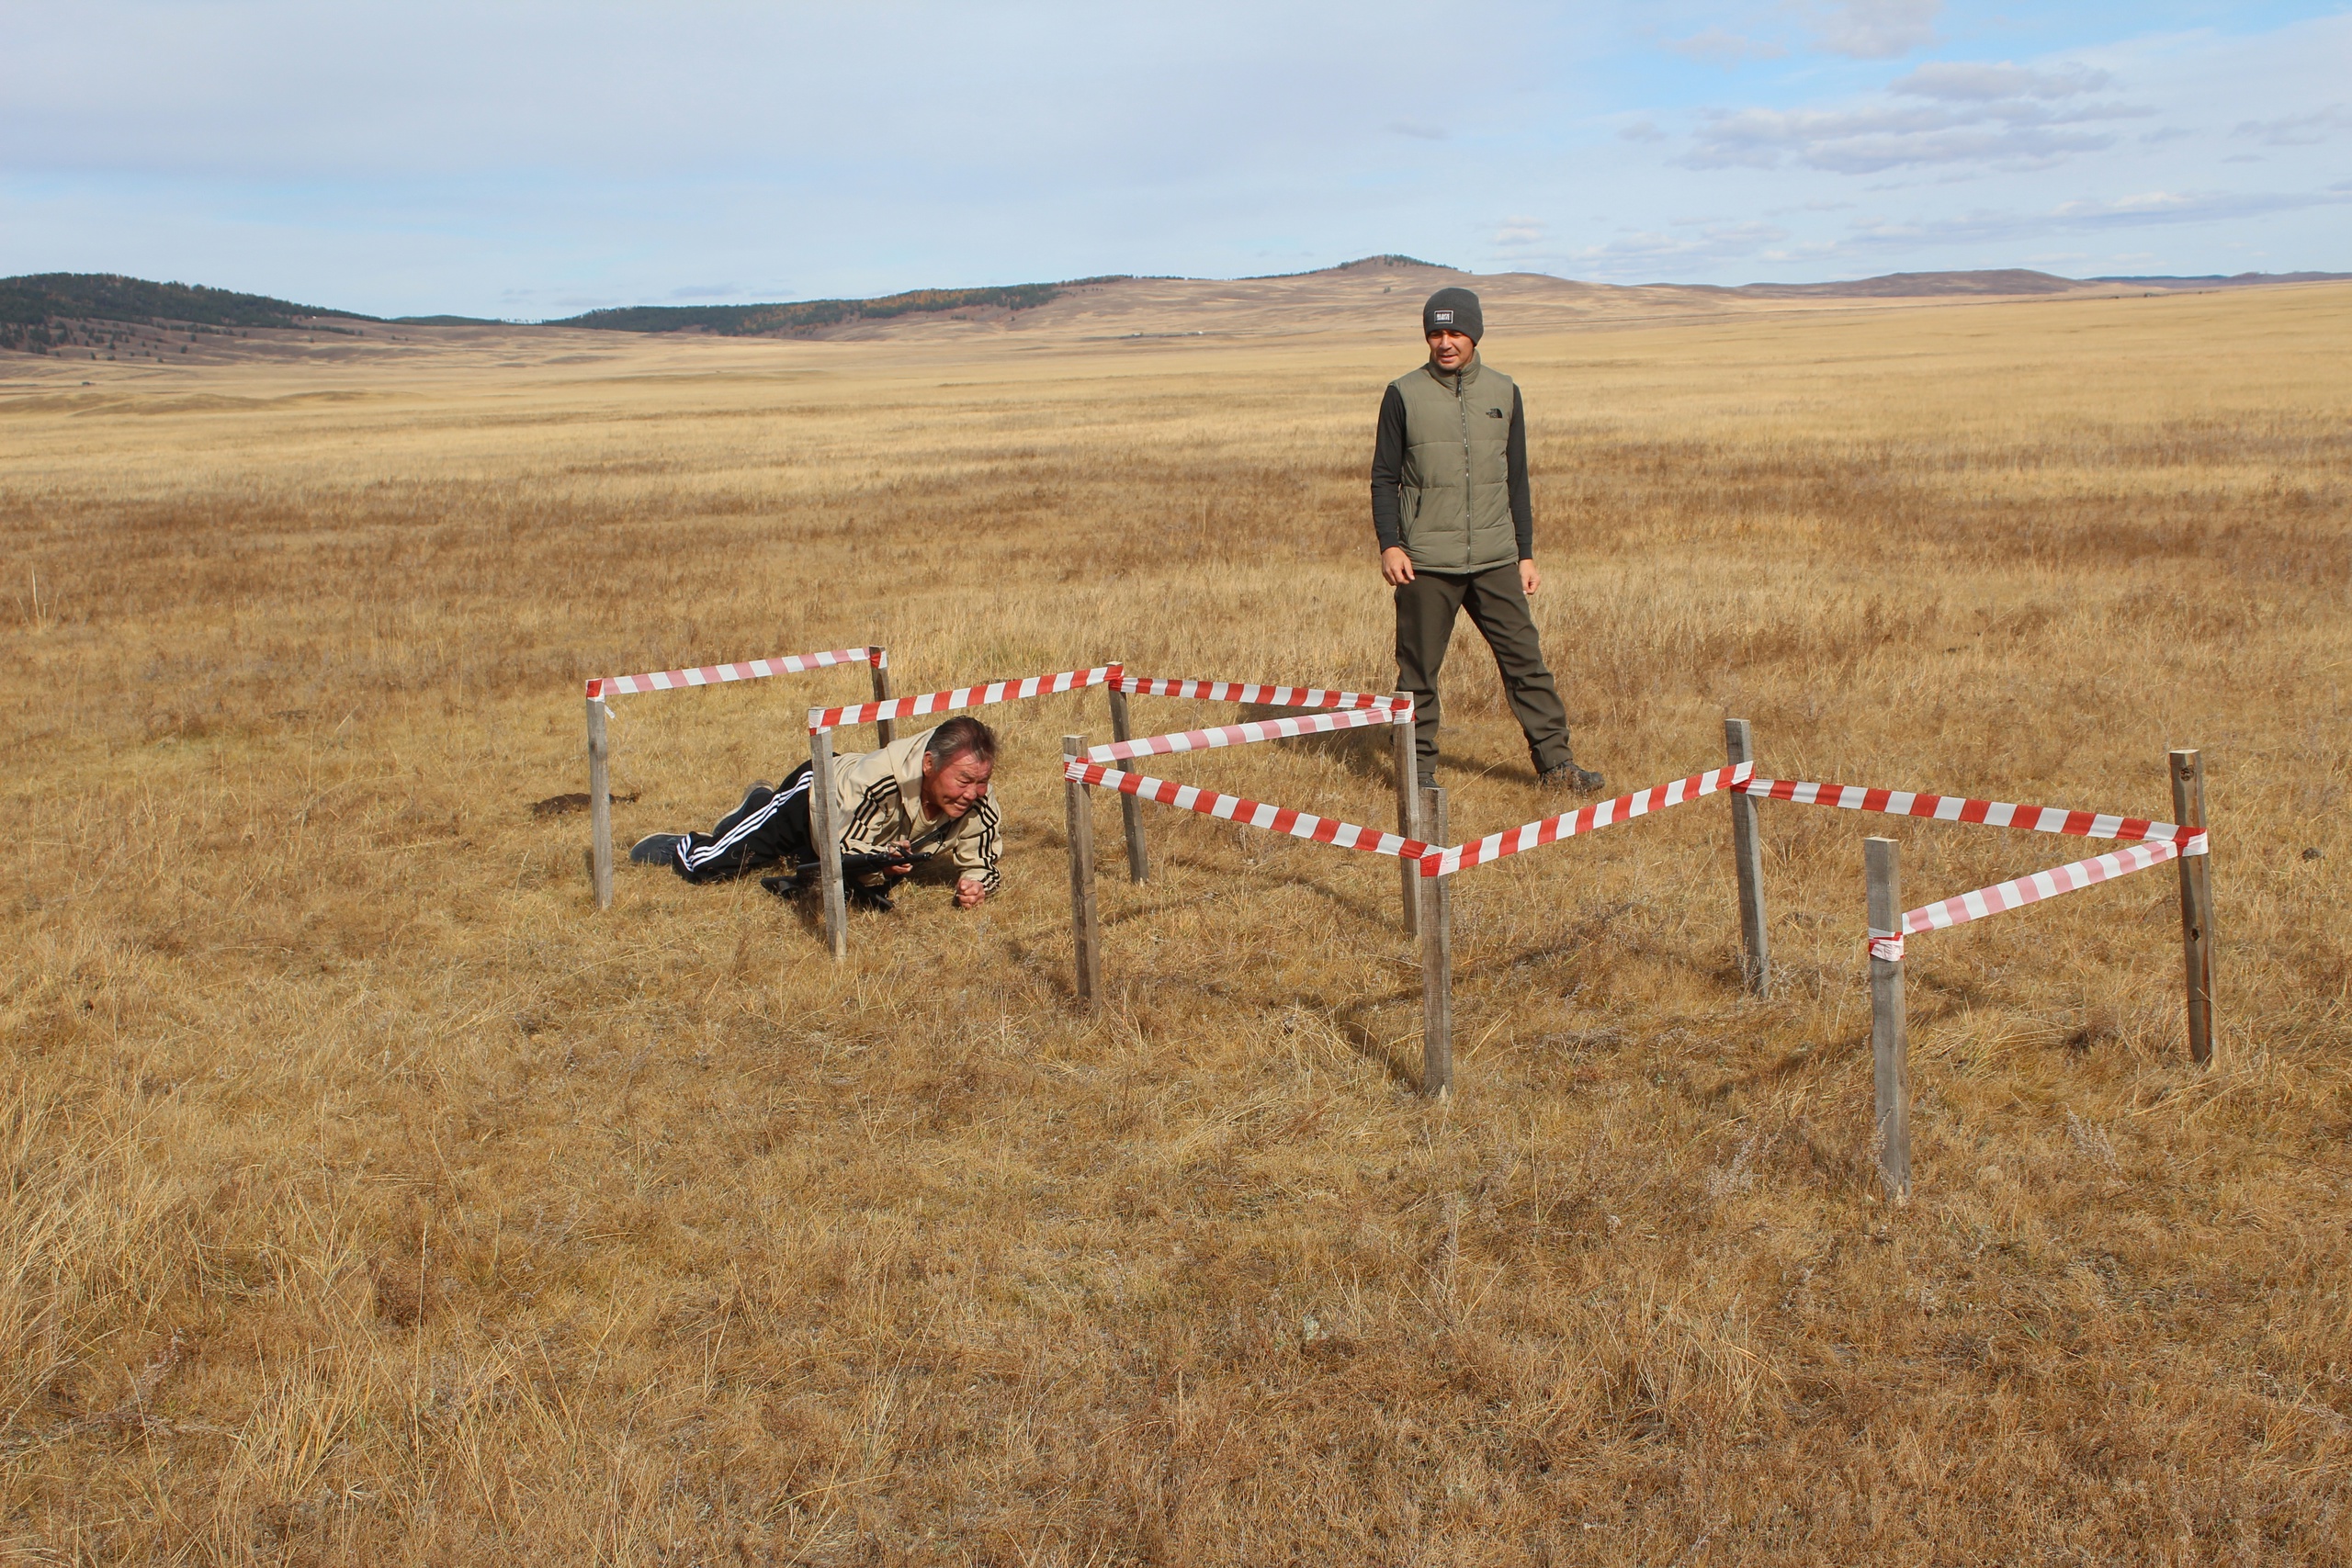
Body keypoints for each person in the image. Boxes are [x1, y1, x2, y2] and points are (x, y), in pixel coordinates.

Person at [1370, 285, 1603, 795]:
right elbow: (1384, 477)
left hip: (1496, 556)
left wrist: (1525, 553)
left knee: (1526, 662)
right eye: (1435, 332)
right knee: (1418, 674)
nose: (1445, 342)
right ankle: (1418, 773)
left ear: (1475, 334)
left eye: (1455, 332)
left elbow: (1514, 479)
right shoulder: (1403, 393)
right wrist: (1390, 543)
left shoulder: (1503, 391)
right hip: (1426, 560)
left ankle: (1557, 767)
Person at [628, 716, 1001, 910]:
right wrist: (880, 866)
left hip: (852, 833)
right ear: (929, 764)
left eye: (982, 781)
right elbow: (839, 852)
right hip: (813, 799)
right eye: (965, 780)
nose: (974, 793)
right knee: (714, 868)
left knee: (836, 893)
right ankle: (697, 840)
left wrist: (977, 885)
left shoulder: (978, 799)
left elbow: (985, 857)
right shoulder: (874, 781)